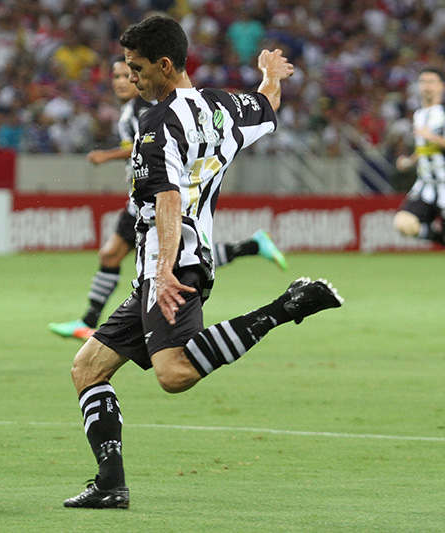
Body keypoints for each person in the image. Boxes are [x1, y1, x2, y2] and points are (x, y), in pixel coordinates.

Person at [63, 15, 342, 509]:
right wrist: (271, 75)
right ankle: (110, 485)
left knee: (174, 374)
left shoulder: (157, 124)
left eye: (137, 69)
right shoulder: (221, 107)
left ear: (164, 65)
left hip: (171, 264)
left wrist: (164, 268)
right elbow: (268, 106)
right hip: (177, 261)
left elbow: (167, 200)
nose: (133, 79)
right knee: (88, 369)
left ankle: (289, 304)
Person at [48, 57, 287, 342]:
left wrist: (107, 155)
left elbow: (152, 144)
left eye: (130, 73)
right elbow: (265, 102)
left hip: (155, 198)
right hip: (163, 197)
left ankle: (92, 321)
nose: (125, 81)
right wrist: (271, 75)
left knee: (162, 260)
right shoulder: (146, 108)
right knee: (184, 255)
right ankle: (251, 246)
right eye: (119, 76)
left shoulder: (148, 111)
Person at [393, 67, 445, 246]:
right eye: (423, 82)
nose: (427, 86)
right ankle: (440, 238)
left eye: (432, 82)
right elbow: (426, 149)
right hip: (426, 185)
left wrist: (432, 137)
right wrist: (410, 161)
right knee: (403, 223)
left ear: (442, 87)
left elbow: (432, 142)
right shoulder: (419, 115)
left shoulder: (443, 114)